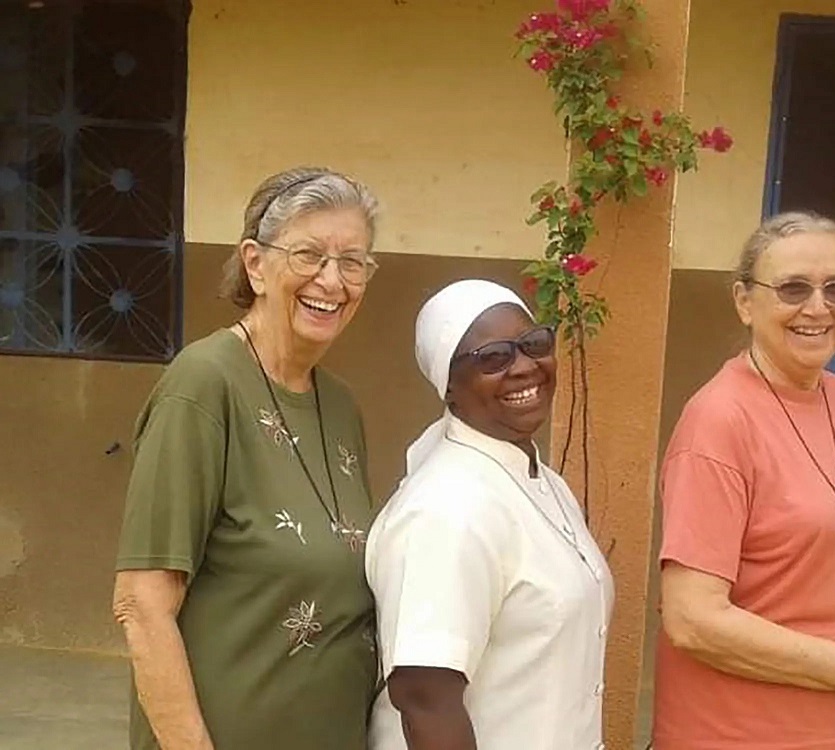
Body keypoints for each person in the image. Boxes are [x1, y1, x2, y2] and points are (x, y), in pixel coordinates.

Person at [112, 166, 381, 750]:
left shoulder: (340, 406)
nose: (332, 282)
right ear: (256, 264)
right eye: (309, 255)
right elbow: (142, 604)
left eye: (353, 262)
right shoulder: (204, 385)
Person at [655, 212, 835, 750]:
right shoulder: (719, 420)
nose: (817, 307)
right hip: (740, 736)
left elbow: (834, 542)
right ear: (744, 301)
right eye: (792, 288)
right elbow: (693, 620)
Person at [365, 279, 614, 750]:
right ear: (450, 388)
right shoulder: (446, 508)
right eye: (493, 358)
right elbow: (426, 698)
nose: (523, 367)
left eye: (533, 345)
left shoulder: (543, 484)